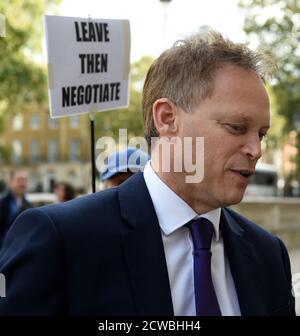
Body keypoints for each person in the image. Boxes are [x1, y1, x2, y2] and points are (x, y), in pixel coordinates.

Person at [0, 32, 295, 316]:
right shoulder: (62, 242)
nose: (255, 149)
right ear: (167, 118)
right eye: (236, 127)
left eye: (262, 133)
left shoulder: (269, 254)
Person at [0, 170, 32, 248]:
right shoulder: (2, 203)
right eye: (19, 180)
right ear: (10, 182)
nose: (22, 183)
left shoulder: (28, 204)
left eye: (24, 180)